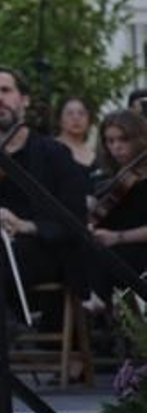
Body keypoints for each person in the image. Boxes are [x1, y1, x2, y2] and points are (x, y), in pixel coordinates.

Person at [0, 67, 88, 377]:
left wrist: (26, 225)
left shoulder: (55, 153)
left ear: (24, 99)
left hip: (41, 250)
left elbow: (75, 221)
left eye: (5, 91)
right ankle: (4, 318)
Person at [84, 108, 147, 311]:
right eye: (110, 141)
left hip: (138, 250)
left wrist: (117, 237)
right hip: (115, 250)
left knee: (108, 257)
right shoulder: (111, 178)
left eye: (123, 139)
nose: (116, 147)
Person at [53, 96, 99, 182]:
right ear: (59, 120)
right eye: (70, 113)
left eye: (82, 113)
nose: (76, 118)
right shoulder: (48, 148)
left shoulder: (96, 153)